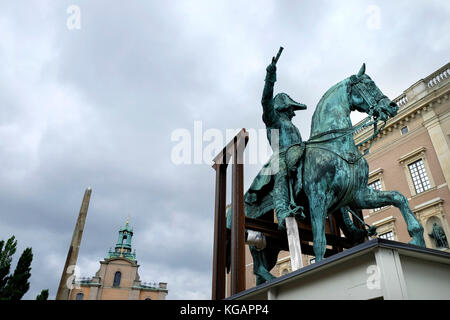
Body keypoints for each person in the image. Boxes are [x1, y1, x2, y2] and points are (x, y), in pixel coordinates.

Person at [261, 56, 307, 229]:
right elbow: (265, 101)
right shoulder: (273, 120)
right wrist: (270, 76)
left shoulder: (293, 126)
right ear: (283, 108)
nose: (293, 113)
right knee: (281, 169)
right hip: (281, 157)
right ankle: (281, 212)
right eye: (291, 109)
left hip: (298, 155)